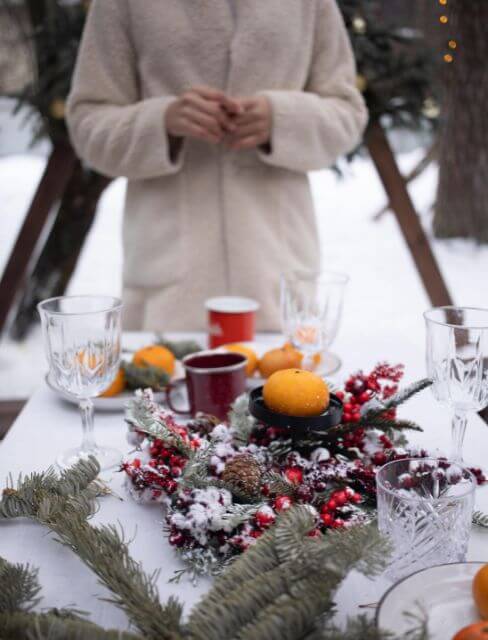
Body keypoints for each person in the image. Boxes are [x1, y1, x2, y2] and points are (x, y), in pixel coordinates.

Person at [67, 0, 368, 331]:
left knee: (285, 383)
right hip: (168, 279)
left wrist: (280, 118)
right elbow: (87, 123)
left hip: (277, 271)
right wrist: (162, 121)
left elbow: (347, 114)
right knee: (165, 377)